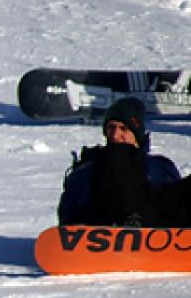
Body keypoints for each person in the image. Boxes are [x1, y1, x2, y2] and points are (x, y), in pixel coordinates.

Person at [57, 97, 184, 227]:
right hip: (104, 230)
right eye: (111, 128)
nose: (115, 135)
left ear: (136, 134)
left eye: (123, 128)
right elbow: (70, 215)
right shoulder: (89, 169)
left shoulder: (160, 165)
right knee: (117, 158)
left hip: (158, 230)